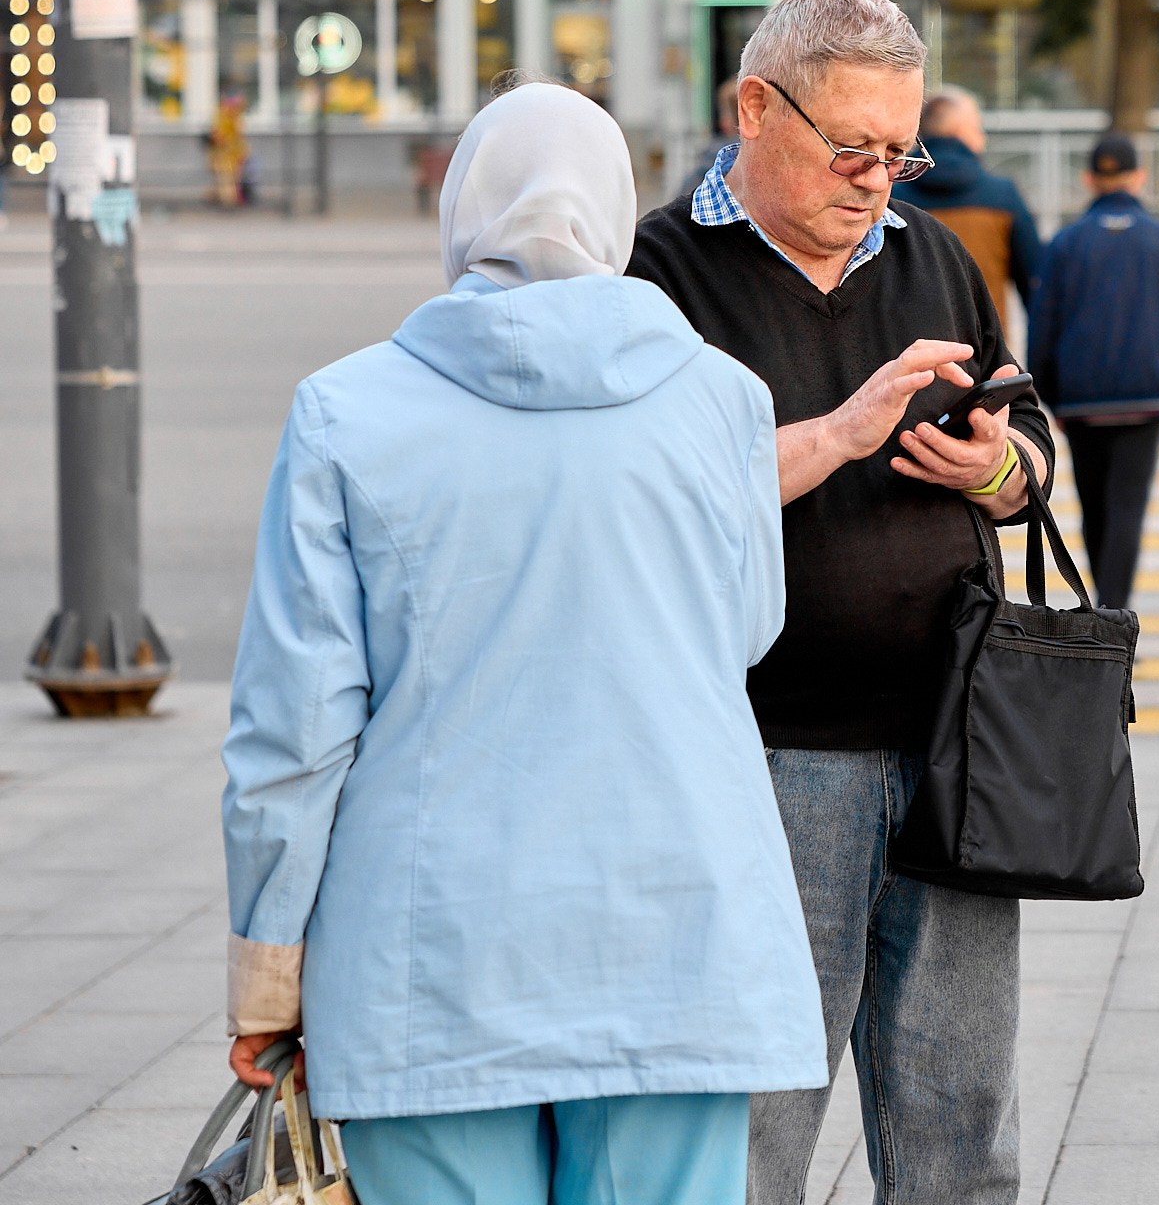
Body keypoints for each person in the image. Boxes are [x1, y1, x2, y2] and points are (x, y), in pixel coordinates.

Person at [220, 84, 823, 1205]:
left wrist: (269, 979)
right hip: (677, 925)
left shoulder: (344, 411)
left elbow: (293, 729)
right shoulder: (724, 400)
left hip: (429, 947)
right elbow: (745, 633)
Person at [626, 0, 1055, 1205]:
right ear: (756, 107)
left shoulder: (935, 261)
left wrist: (999, 469)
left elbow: (1035, 457)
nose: (878, 181)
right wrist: (845, 428)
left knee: (963, 1125)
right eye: (851, 148)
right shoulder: (657, 273)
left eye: (900, 152)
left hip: (952, 747)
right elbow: (645, 498)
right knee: (758, 1116)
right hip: (766, 757)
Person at [1030, 132, 1159, 610]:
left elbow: (1041, 328)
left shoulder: (1064, 243)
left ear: (1089, 180)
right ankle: (1114, 613)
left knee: (1094, 508)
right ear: (1140, 176)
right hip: (1147, 396)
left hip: (1082, 400)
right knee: (1128, 509)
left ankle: (1102, 612)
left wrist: (1052, 399)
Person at [894, 85, 1044, 325]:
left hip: (908, 355)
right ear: (959, 131)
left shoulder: (891, 197)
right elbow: (1035, 284)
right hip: (986, 353)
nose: (982, 137)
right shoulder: (1002, 196)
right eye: (977, 128)